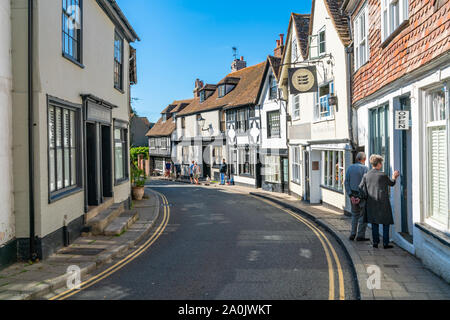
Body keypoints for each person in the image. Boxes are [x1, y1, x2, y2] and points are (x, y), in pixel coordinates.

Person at [359, 154, 400, 249]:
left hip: (371, 203)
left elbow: (360, 187)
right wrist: (394, 176)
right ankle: (385, 243)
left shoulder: (366, 175)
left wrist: (365, 196)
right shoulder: (382, 175)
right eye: (381, 163)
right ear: (378, 164)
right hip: (383, 203)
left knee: (374, 223)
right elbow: (392, 183)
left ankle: (375, 243)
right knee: (386, 223)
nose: (381, 164)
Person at [344, 152, 370, 242]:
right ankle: (360, 236)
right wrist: (359, 196)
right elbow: (366, 185)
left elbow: (346, 182)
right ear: (364, 159)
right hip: (362, 197)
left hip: (353, 196)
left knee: (354, 215)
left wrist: (351, 195)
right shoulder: (366, 169)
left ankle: (352, 233)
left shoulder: (350, 168)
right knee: (363, 216)